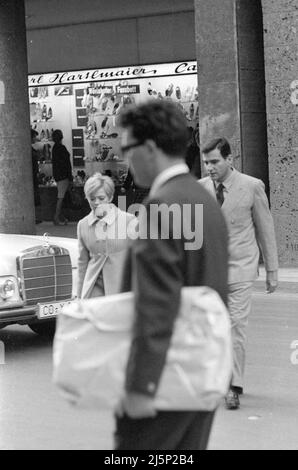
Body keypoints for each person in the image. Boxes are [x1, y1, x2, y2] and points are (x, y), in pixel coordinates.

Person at [115, 100, 229, 450]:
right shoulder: (204, 199)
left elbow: (155, 304)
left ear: (149, 148)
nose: (124, 159)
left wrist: (140, 387)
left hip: (164, 382)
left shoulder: (159, 206)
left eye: (127, 148)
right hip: (203, 372)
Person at [199, 137, 279, 410]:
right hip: (210, 272)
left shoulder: (251, 186)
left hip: (241, 269)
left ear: (230, 159)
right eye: (206, 162)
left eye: (214, 162)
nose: (209, 167)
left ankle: (232, 386)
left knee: (235, 328)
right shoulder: (200, 189)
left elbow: (265, 229)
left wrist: (272, 269)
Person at [77, 172, 136, 299]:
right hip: (93, 292)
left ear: (110, 197)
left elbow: (139, 259)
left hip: (121, 292)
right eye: (92, 199)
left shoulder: (129, 221)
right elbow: (83, 263)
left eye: (101, 198)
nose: (96, 203)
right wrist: (79, 297)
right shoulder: (83, 225)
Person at [52, 129, 73, 225]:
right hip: (63, 176)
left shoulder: (54, 148)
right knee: (61, 197)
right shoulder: (61, 148)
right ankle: (56, 217)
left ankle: (60, 216)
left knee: (62, 196)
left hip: (58, 175)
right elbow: (67, 164)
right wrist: (70, 177)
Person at [31, 129, 42, 224]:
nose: (35, 138)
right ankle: (33, 217)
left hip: (33, 175)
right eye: (34, 136)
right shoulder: (30, 150)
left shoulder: (31, 149)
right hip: (32, 176)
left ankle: (34, 216)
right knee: (33, 195)